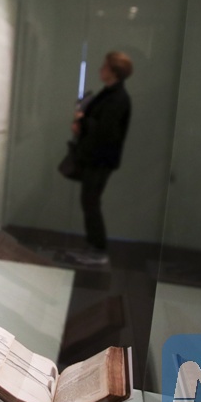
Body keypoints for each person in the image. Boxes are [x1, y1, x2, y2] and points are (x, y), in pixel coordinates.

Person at [68, 51, 133, 266]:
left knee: (91, 201)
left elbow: (105, 130)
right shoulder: (109, 94)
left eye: (104, 66)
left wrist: (82, 121)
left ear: (113, 71)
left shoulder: (117, 98)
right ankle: (94, 246)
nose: (100, 69)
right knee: (89, 201)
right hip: (97, 158)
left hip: (100, 159)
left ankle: (98, 249)